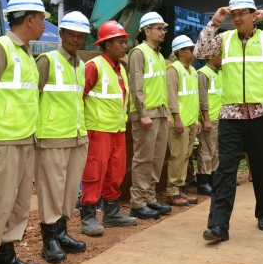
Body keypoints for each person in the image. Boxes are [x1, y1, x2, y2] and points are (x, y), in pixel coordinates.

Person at [196, 0, 263, 241]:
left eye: (242, 13)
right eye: (234, 14)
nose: (237, 18)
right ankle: (219, 226)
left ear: (253, 14)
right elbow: (200, 50)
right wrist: (215, 21)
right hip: (231, 115)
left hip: (262, 114)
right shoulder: (224, 39)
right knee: (225, 171)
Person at [0, 0, 47, 264]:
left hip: (24, 139)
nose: (45, 25)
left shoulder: (26, 54)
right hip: (1, 141)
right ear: (29, 19)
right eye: (42, 19)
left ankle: (5, 258)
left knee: (18, 204)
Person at [35, 12, 90, 264]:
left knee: (69, 190)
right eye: (71, 34)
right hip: (52, 137)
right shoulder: (47, 61)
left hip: (77, 136)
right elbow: (32, 99)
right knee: (51, 189)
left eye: (80, 36)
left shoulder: (78, 64)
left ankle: (62, 233)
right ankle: (49, 241)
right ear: (61, 34)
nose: (76, 39)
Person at [80, 20, 137, 235]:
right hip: (98, 131)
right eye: (120, 42)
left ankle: (111, 214)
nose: (125, 45)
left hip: (117, 131)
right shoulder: (93, 67)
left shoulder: (120, 69)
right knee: (94, 173)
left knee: (116, 173)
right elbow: (80, 97)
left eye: (125, 41)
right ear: (107, 44)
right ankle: (88, 217)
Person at [128, 12, 172, 220]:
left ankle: (150, 197)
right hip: (146, 115)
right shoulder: (139, 52)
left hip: (160, 114)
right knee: (143, 159)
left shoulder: (159, 56)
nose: (163, 32)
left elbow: (161, 87)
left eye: (164, 29)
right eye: (159, 28)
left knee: (156, 159)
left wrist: (168, 113)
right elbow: (136, 86)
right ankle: (138, 202)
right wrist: (143, 113)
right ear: (147, 31)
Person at [166, 35, 201, 207]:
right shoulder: (174, 70)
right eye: (191, 49)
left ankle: (180, 189)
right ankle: (172, 192)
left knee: (185, 157)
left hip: (191, 121)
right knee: (177, 157)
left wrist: (198, 119)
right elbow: (171, 96)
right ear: (181, 51)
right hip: (180, 122)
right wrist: (177, 118)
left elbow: (194, 97)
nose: (194, 52)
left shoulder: (192, 70)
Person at [197, 56, 223, 196]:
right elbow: (202, 98)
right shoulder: (203, 73)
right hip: (210, 119)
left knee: (217, 151)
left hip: (218, 118)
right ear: (212, 56)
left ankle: (213, 179)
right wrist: (205, 118)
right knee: (207, 151)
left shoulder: (217, 73)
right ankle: (203, 182)